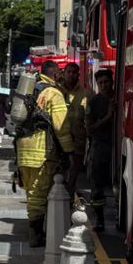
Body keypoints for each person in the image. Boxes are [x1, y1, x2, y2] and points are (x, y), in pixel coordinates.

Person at [15, 59, 73, 248]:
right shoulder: (53, 93)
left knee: (31, 193)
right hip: (41, 150)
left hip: (23, 149)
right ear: (55, 74)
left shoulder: (31, 89)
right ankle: (36, 236)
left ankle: (36, 231)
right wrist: (69, 151)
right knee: (39, 194)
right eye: (60, 73)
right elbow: (61, 126)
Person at [85, 68, 116, 232]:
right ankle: (99, 220)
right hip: (100, 147)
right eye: (100, 83)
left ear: (112, 82)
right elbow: (89, 129)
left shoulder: (119, 98)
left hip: (117, 146)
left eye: (106, 82)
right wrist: (108, 117)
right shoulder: (93, 103)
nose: (104, 85)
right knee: (97, 186)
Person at [61, 62, 88, 199]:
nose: (71, 75)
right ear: (64, 74)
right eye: (69, 72)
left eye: (74, 72)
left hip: (77, 142)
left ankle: (70, 197)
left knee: (73, 173)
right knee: (59, 173)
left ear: (78, 75)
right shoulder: (56, 92)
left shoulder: (86, 94)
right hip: (59, 141)